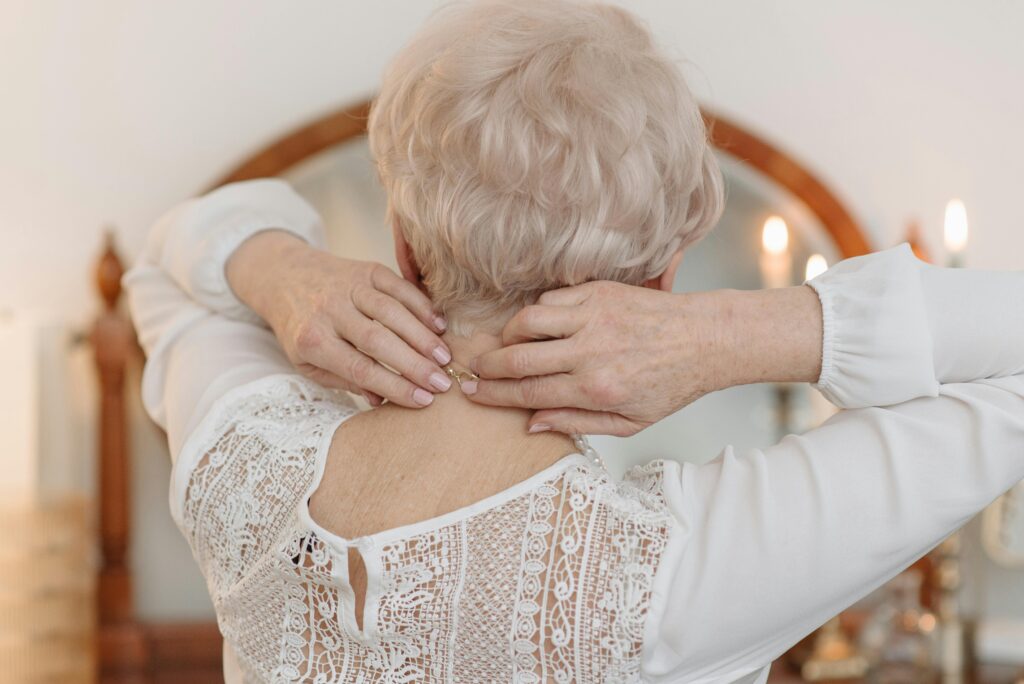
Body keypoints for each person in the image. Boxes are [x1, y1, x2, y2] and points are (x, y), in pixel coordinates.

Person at [123, 1, 1024, 682]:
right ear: (661, 281)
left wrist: (279, 269)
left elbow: (165, 264)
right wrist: (730, 331)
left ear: (404, 247)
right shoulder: (676, 575)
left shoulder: (240, 460)